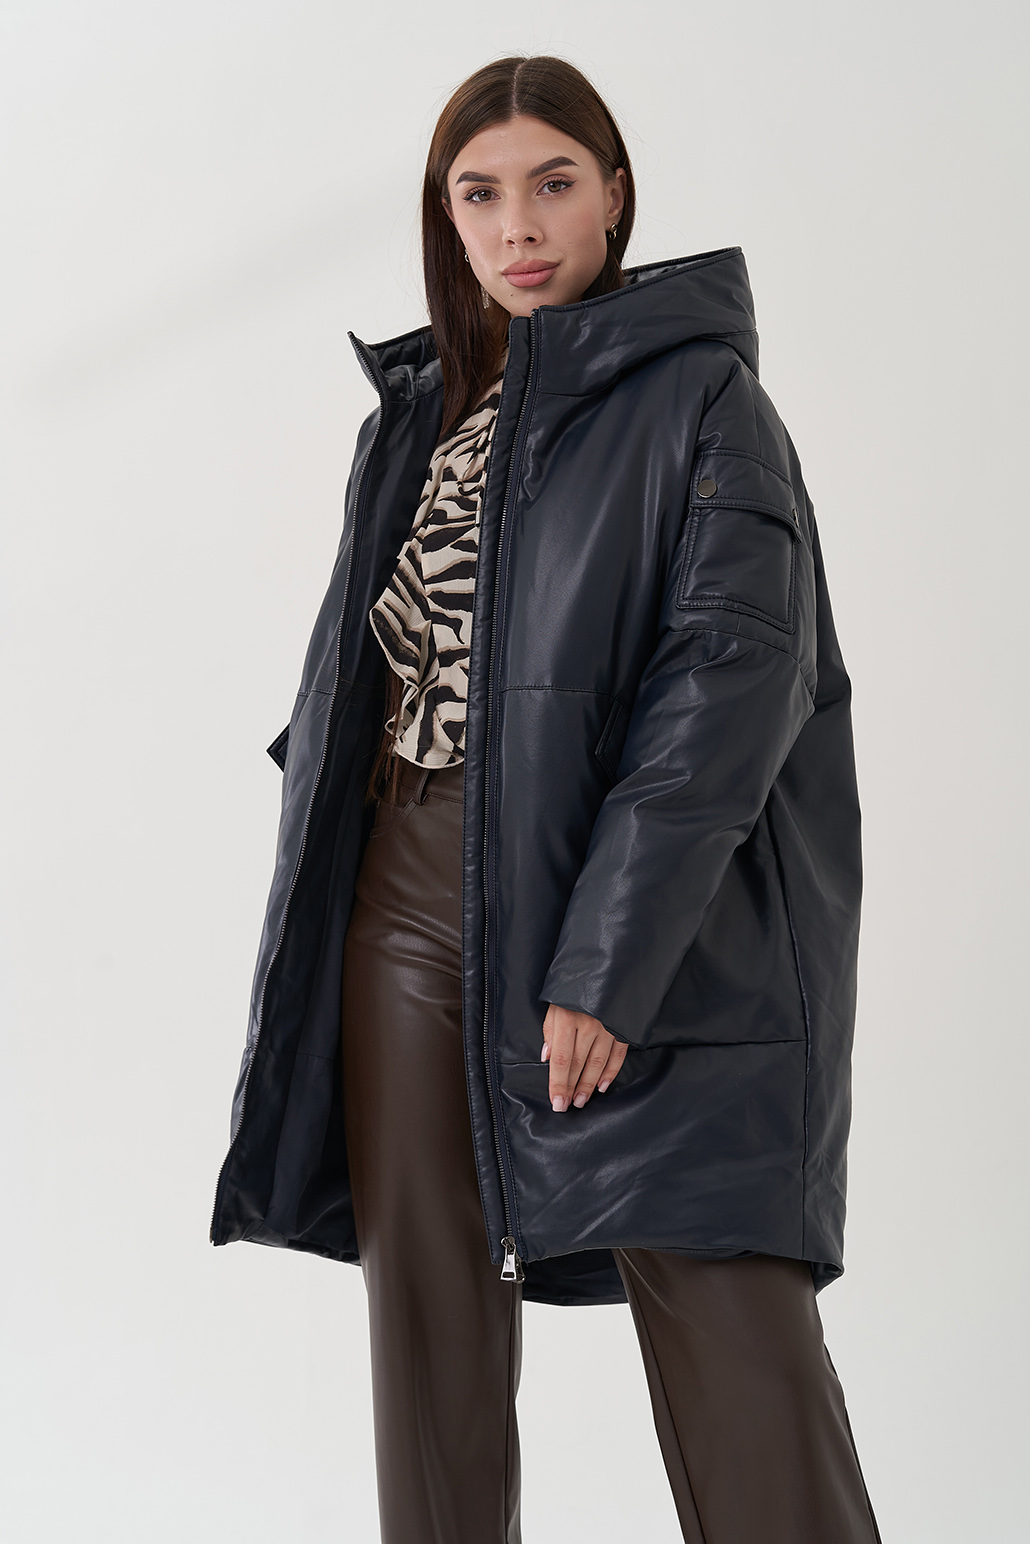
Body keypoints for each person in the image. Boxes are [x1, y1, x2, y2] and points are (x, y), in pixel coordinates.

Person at [211, 53, 882, 1544]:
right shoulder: (422, 415)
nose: (517, 225)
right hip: (404, 898)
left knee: (733, 1342)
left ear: (614, 194)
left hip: (637, 916)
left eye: (553, 183)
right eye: (480, 193)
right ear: (444, 215)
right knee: (428, 1347)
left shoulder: (703, 400)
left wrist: (601, 964)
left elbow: (727, 695)